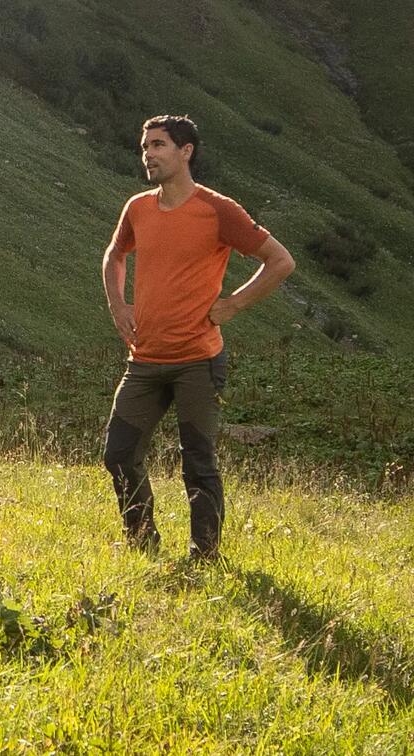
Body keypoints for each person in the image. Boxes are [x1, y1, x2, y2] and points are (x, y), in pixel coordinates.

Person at [101, 114, 295, 561]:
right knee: (118, 454)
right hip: (145, 359)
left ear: (185, 152)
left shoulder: (218, 209)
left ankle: (204, 555)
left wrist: (234, 304)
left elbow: (280, 261)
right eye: (145, 146)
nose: (148, 153)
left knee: (198, 462)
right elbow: (114, 255)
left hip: (198, 361)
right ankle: (142, 542)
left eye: (158, 145)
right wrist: (118, 305)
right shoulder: (138, 207)